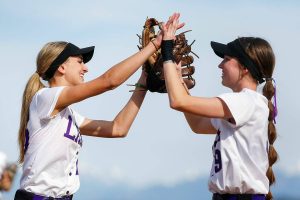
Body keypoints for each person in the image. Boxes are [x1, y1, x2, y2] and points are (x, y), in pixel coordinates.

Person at [14, 13, 184, 200]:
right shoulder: (45, 98)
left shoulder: (66, 115)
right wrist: (155, 44)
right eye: (79, 61)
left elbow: (118, 128)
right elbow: (108, 82)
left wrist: (143, 80)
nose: (85, 68)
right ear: (61, 67)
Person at [161, 13, 278, 200]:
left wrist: (166, 50)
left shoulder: (245, 102)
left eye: (226, 59)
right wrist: (177, 79)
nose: (220, 65)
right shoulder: (242, 104)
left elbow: (178, 102)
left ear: (245, 67)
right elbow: (198, 125)